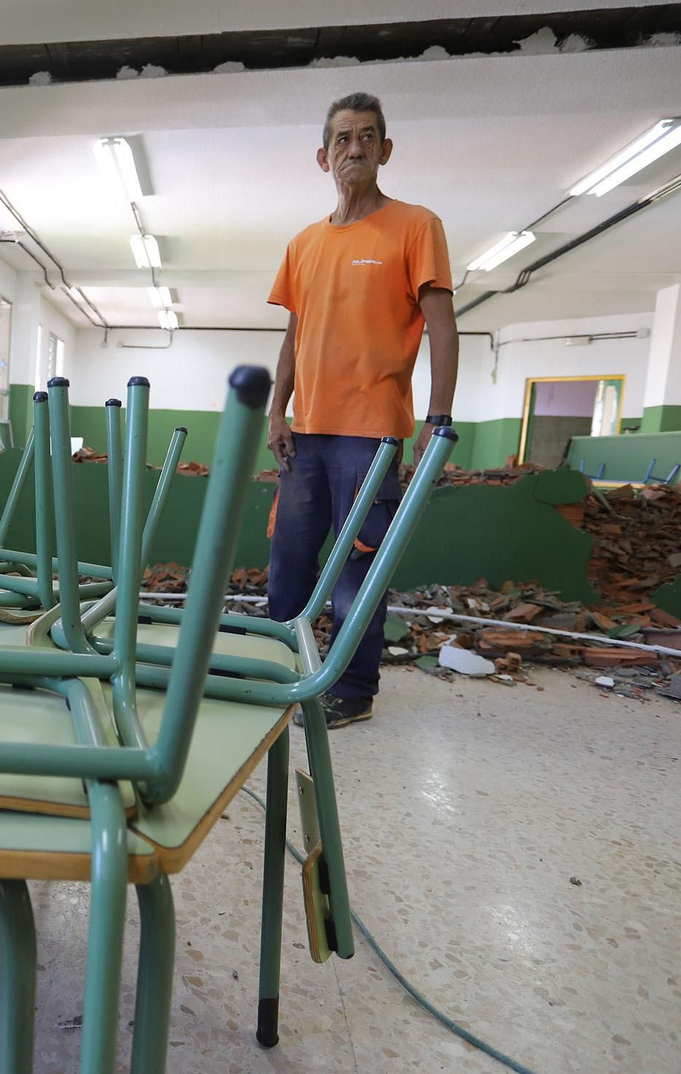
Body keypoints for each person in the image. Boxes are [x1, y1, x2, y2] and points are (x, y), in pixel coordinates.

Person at [264, 91, 459, 729]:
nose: (356, 147)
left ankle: (352, 689)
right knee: (289, 562)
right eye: (343, 138)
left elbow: (441, 326)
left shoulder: (416, 226)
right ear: (323, 157)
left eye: (368, 136)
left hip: (370, 435)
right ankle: (281, 669)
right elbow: (294, 336)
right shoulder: (304, 243)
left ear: (386, 150)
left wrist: (437, 420)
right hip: (306, 433)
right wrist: (277, 412)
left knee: (358, 567)